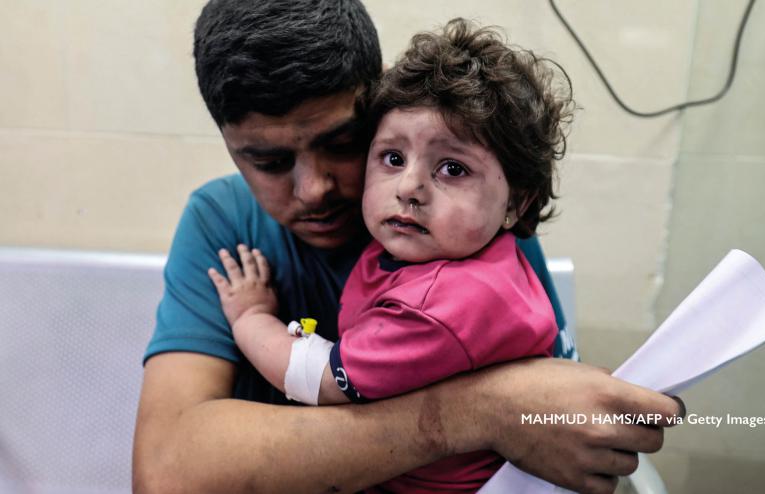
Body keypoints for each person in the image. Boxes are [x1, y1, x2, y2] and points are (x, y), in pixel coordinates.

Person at [132, 1, 683, 494]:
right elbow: (168, 473)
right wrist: (481, 411)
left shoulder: (476, 237)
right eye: (269, 162)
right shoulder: (224, 222)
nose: (314, 189)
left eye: (342, 144)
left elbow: (556, 422)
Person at [207, 18, 566, 492]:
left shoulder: (446, 306)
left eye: (453, 168)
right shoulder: (452, 252)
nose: (410, 188)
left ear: (516, 204)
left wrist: (252, 316)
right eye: (393, 158)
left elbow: (319, 379)